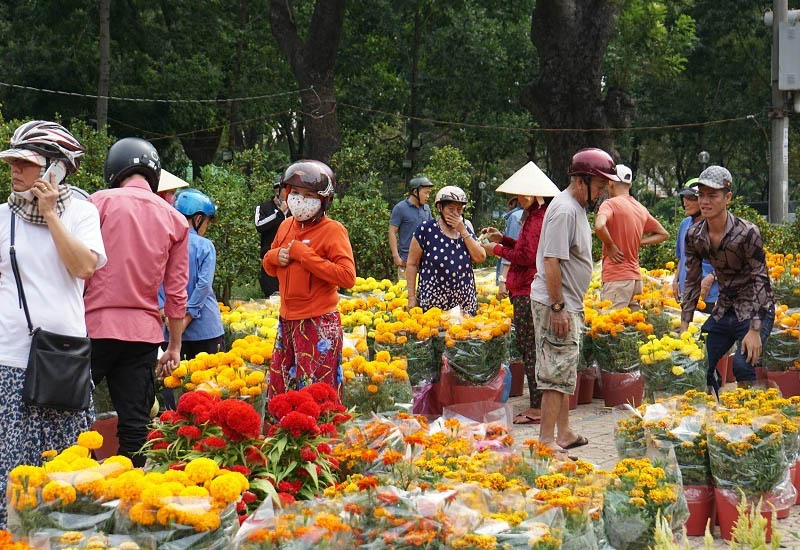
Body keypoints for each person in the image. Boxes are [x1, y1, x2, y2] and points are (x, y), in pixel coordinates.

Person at [0, 121, 106, 526]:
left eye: (25, 164)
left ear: (55, 170)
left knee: (65, 472)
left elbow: (83, 266)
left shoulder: (81, 212)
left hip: (63, 360)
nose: (14, 171)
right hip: (10, 359)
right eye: (12, 162)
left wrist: (49, 214)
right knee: (12, 470)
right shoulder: (2, 218)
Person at [84, 137, 189, 466]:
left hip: (91, 328)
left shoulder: (97, 203)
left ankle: (72, 492)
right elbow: (176, 292)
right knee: (135, 425)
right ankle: (126, 501)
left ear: (114, 169)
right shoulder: (175, 220)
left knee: (69, 415)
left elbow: (76, 268)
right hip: (143, 336)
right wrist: (173, 346)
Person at [532, 147, 617, 454]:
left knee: (565, 368)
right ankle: (545, 442)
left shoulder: (577, 208)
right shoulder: (565, 209)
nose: (602, 192)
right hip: (557, 303)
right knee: (555, 371)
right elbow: (552, 261)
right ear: (582, 180)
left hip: (568, 302)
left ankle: (564, 432)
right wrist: (558, 307)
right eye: (599, 185)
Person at [263, 160, 356, 397]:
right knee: (281, 391)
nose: (299, 199)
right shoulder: (285, 226)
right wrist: (275, 256)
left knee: (316, 396)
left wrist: (305, 256)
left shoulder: (333, 230)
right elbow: (269, 266)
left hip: (318, 324)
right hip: (287, 322)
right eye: (295, 193)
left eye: (308, 195)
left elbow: (347, 277)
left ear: (323, 200)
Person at [679, 166, 775, 393]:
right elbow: (692, 280)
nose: (705, 201)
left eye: (712, 195)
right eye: (701, 195)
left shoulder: (748, 233)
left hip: (754, 308)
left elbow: (761, 282)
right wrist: (685, 324)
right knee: (697, 363)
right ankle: (711, 414)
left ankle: (752, 417)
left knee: (742, 365)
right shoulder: (694, 235)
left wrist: (755, 330)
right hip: (725, 308)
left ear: (727, 197)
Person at [480, 161, 560, 425]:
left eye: (524, 194)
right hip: (525, 288)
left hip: (528, 289)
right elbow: (525, 247)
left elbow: (527, 257)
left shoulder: (538, 217)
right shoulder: (533, 215)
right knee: (530, 348)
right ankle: (537, 402)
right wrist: (502, 239)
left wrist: (497, 251)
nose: (519, 198)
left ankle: (538, 407)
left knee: (531, 349)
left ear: (534, 194)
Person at [158, 189, 224, 359]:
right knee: (210, 382)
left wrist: (165, 312)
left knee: (172, 381)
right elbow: (203, 285)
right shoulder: (205, 245)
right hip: (206, 329)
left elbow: (156, 282)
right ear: (198, 218)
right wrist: (186, 317)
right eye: (207, 222)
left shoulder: (163, 242)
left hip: (169, 331)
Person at [594, 163, 669, 309]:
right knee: (633, 329)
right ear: (630, 185)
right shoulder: (640, 208)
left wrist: (611, 245)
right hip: (635, 280)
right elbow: (663, 234)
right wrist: (638, 242)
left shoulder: (610, 204)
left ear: (611, 183)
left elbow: (599, 225)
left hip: (617, 279)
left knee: (611, 327)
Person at [406, 186, 486, 316]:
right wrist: (411, 297)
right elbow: (412, 264)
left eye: (459, 209)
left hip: (464, 305)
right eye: (450, 209)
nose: (455, 213)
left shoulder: (465, 230)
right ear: (439, 208)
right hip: (434, 306)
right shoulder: (426, 230)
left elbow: (481, 257)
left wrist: (463, 231)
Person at [673, 181, 718, 311]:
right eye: (684, 198)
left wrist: (711, 277)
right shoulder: (684, 224)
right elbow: (681, 257)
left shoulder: (716, 227)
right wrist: (676, 281)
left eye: (691, 199)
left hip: (709, 297)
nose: (685, 203)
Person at [389, 176, 433, 277]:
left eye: (429, 193)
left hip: (424, 262)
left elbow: (431, 231)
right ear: (415, 192)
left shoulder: (427, 208)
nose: (428, 196)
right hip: (406, 262)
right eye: (425, 193)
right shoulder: (400, 208)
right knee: (405, 292)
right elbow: (392, 231)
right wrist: (396, 256)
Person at [255, 176, 289, 297]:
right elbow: (259, 225)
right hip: (270, 259)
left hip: (291, 260)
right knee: (272, 296)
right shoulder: (264, 207)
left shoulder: (296, 209)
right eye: (283, 189)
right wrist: (279, 213)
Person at [495, 197, 523, 297]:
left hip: (516, 277)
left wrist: (503, 279)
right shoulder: (536, 214)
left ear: (512, 204)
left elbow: (512, 251)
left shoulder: (515, 217)